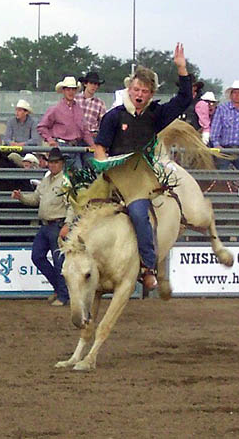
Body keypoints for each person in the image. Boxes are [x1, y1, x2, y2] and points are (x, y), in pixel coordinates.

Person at [94, 43, 192, 289]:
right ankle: (73, 253)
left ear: (150, 94)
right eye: (136, 89)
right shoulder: (113, 116)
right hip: (111, 174)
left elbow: (184, 99)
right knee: (81, 204)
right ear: (129, 88)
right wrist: (102, 165)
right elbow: (100, 146)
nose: (139, 94)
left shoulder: (155, 115)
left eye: (145, 91)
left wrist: (182, 69)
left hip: (139, 181)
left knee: (139, 213)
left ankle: (148, 266)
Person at [11, 147, 74, 306]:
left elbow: (72, 205)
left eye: (55, 162)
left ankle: (63, 295)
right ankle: (60, 290)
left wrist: (67, 224)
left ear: (61, 164)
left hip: (58, 225)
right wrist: (22, 197)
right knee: (37, 256)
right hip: (47, 225)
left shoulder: (65, 182)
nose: (52, 165)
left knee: (59, 262)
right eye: (51, 162)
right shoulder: (47, 180)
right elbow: (35, 199)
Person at [38, 75, 95, 168]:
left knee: (87, 168)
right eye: (68, 89)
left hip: (76, 147)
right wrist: (50, 140)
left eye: (73, 89)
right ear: (63, 91)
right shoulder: (55, 109)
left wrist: (93, 145)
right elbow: (42, 126)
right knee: (77, 170)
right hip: (62, 146)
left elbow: (84, 130)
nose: (71, 92)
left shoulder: (78, 109)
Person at [76, 71, 107, 140]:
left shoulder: (100, 103)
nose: (94, 86)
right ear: (85, 84)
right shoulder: (75, 100)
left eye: (96, 84)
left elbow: (103, 123)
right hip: (75, 136)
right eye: (91, 83)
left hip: (91, 137)